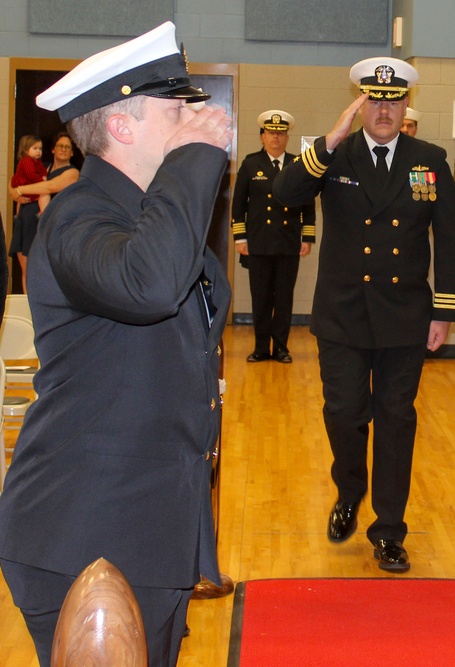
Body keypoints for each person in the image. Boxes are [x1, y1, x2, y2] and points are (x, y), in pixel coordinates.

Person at [0, 21, 233, 667]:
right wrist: (194, 160)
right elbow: (151, 287)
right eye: (175, 108)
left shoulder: (147, 216)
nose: (196, 118)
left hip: (146, 522)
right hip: (86, 526)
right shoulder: (78, 216)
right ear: (124, 127)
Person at [274, 57, 455, 573]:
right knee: (343, 413)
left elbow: (450, 235)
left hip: (405, 315)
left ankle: (388, 530)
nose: (384, 111)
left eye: (393, 101)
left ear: (407, 106)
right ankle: (349, 490)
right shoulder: (335, 155)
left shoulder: (429, 159)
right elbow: (285, 194)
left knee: (397, 420)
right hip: (342, 314)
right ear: (360, 105)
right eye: (374, 101)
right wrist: (329, 139)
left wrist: (445, 309)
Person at [232, 109, 316, 363]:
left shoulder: (297, 165)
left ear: (287, 137)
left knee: (284, 297)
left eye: (281, 133)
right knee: (260, 297)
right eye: (271, 133)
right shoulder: (250, 164)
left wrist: (307, 237)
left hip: (288, 242)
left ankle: (281, 348)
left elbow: (308, 203)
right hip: (258, 242)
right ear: (262, 136)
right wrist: (240, 237)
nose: (276, 138)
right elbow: (238, 205)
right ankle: (260, 347)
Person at [8, 132, 82, 290]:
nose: (63, 149)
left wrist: (20, 190)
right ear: (53, 149)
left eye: (67, 147)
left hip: (48, 226)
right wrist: (15, 193)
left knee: (42, 271)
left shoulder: (72, 173)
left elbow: (50, 186)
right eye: (60, 146)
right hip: (26, 220)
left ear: (72, 152)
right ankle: (29, 309)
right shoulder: (41, 167)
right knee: (26, 270)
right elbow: (14, 179)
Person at [8, 135, 48, 290]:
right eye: (35, 149)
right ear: (25, 150)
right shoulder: (26, 161)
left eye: (40, 149)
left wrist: (43, 178)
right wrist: (43, 181)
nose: (38, 152)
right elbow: (31, 176)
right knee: (25, 257)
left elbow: (42, 172)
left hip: (31, 203)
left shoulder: (37, 163)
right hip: (24, 190)